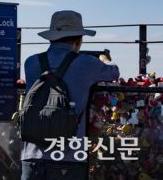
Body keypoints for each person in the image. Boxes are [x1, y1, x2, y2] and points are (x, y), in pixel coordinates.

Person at [20, 10, 120, 180]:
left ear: (51, 38)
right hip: (69, 157)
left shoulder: (31, 62)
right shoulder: (87, 63)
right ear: (79, 40)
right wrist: (104, 59)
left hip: (31, 156)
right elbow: (114, 72)